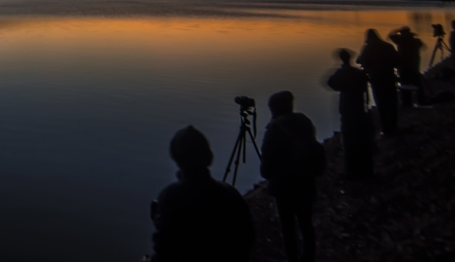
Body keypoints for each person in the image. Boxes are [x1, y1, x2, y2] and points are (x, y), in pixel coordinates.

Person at [151, 125, 254, 262]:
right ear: (208, 156)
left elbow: (165, 251)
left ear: (177, 159)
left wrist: (159, 223)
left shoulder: (171, 196)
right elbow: (248, 239)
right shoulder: (231, 194)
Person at [260, 91, 324, 262]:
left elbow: (266, 169)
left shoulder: (274, 129)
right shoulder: (304, 121)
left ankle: (293, 258)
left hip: (284, 188)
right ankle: (309, 256)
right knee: (306, 223)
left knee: (287, 228)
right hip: (306, 181)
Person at [327, 49, 375, 178]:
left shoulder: (342, 73)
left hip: (348, 110)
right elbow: (366, 85)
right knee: (363, 139)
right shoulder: (358, 73)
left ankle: (352, 170)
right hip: (360, 108)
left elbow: (331, 83)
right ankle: (367, 170)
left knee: (349, 140)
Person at [357, 29, 401, 135]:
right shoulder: (387, 46)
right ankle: (394, 127)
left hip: (376, 80)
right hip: (389, 78)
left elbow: (361, 61)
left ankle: (386, 129)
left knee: (381, 104)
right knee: (392, 103)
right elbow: (397, 61)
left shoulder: (368, 48)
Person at [388, 26, 425, 106]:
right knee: (417, 83)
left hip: (403, 66)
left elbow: (390, 35)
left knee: (405, 84)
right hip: (414, 65)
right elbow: (423, 46)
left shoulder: (401, 41)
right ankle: (421, 100)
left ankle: (407, 103)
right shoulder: (416, 41)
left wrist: (397, 30)